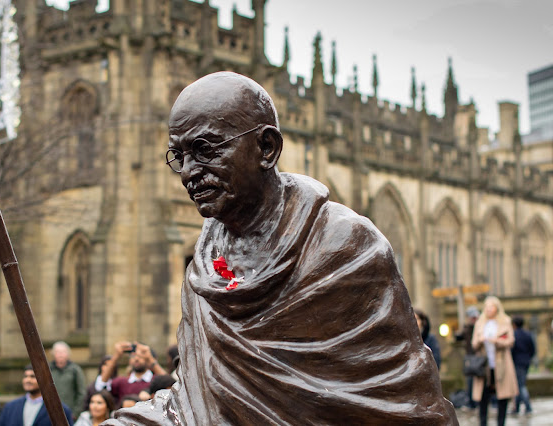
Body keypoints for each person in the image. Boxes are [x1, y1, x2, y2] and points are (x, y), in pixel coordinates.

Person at [105, 71, 457, 424]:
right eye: (179, 155)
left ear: (267, 148)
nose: (187, 173)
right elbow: (193, 400)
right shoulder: (204, 266)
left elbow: (409, 404)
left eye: (205, 150)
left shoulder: (346, 247)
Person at [471, 296, 518, 426]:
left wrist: (496, 341)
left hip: (501, 364)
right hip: (484, 366)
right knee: (483, 398)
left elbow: (510, 341)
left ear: (497, 308)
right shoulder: (479, 323)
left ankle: (501, 423)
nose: (488, 309)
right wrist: (480, 340)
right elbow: (473, 344)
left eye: (491, 306)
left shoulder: (505, 321)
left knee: (502, 397)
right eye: (486, 307)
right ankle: (483, 423)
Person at [0, 365, 74, 426]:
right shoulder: (10, 407)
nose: (28, 380)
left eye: (32, 376)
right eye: (25, 376)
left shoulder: (59, 410)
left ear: (43, 379)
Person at [98, 341, 166, 403]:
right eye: (133, 356)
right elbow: (101, 385)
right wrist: (116, 356)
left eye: (140, 356)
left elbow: (170, 384)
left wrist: (151, 359)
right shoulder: (122, 382)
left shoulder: (156, 380)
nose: (136, 359)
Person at [50, 341, 86, 419]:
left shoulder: (75, 370)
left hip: (69, 413)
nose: (60, 354)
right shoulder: (48, 369)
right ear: (53, 354)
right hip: (50, 413)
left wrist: (76, 413)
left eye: (63, 352)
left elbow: (81, 393)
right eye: (57, 352)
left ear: (68, 354)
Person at [456, 306, 480, 409]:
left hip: (480, 357)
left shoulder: (481, 327)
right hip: (470, 357)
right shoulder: (467, 327)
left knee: (480, 381)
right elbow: (459, 336)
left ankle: (480, 401)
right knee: (469, 380)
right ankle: (471, 402)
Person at [510, 315, 535, 415]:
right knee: (519, 384)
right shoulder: (528, 334)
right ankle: (517, 407)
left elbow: (511, 350)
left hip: (517, 363)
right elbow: (533, 349)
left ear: (514, 324)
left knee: (520, 385)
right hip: (526, 362)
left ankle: (528, 406)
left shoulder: (513, 335)